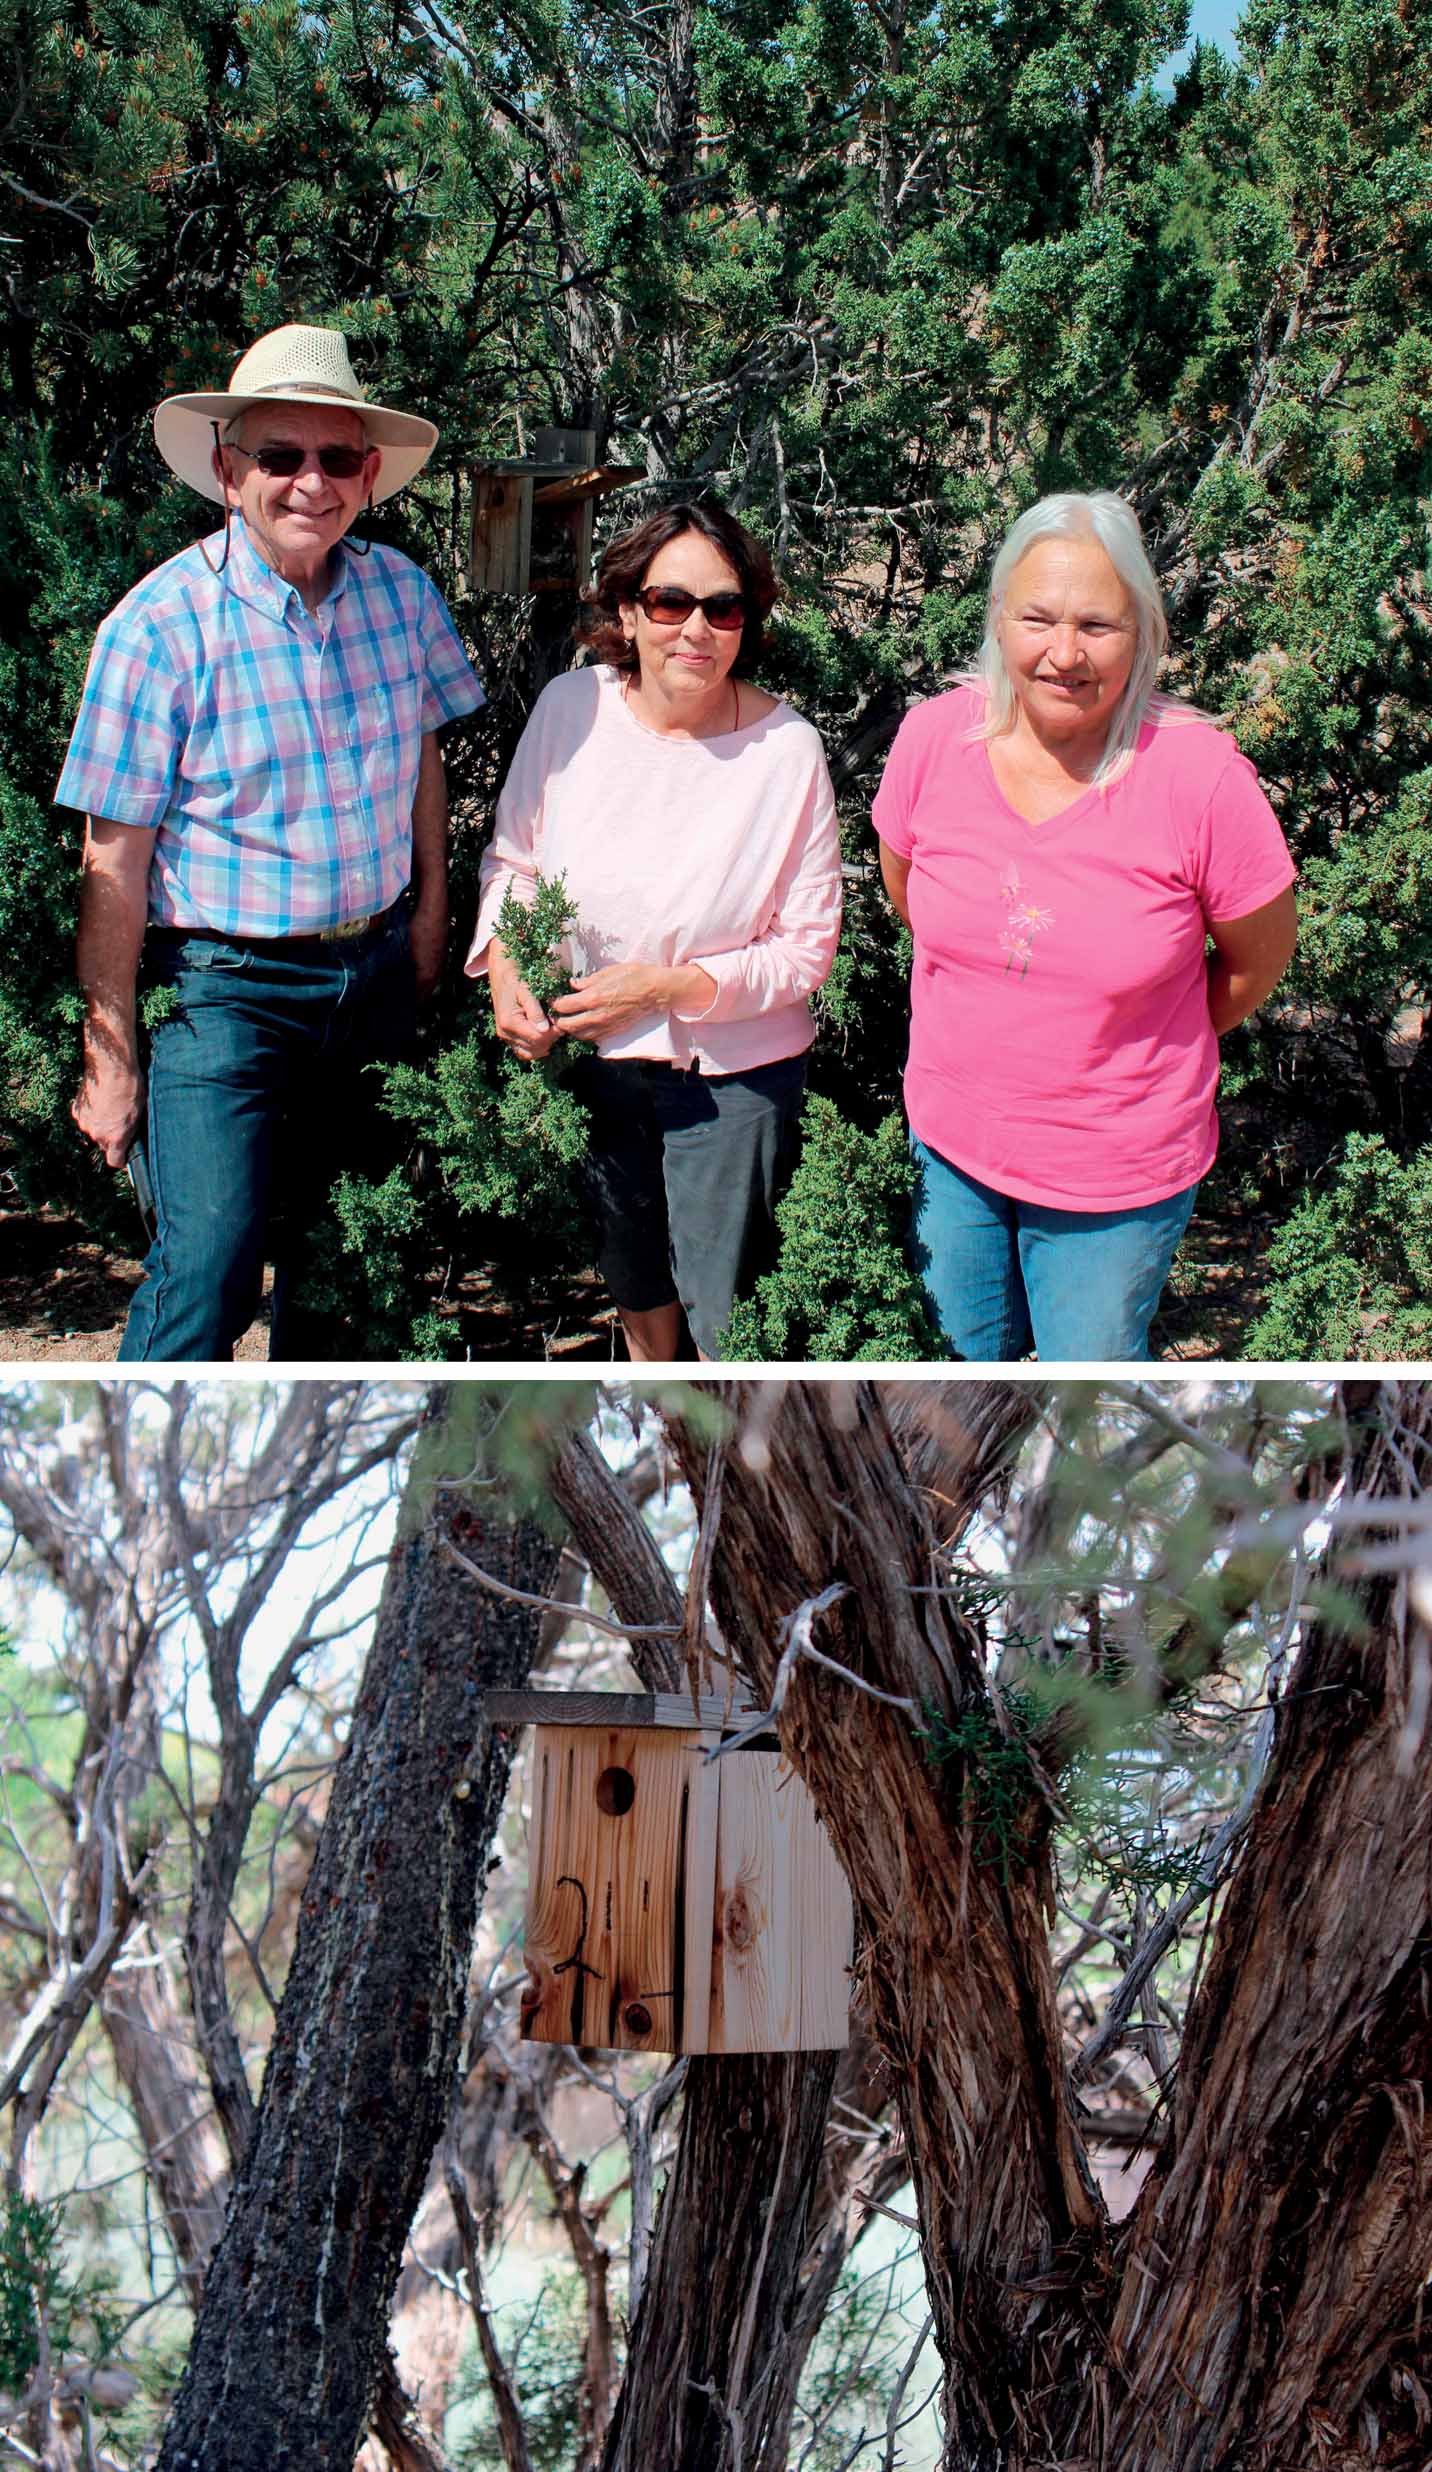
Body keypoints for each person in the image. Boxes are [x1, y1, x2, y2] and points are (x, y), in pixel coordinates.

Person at [55, 324, 484, 1361]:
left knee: (347, 1272)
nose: (310, 483)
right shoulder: (155, 629)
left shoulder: (403, 595)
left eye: (336, 459)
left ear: (370, 473)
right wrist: (107, 1061)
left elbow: (421, 761)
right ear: (227, 468)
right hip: (222, 988)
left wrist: (429, 918)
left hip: (373, 973)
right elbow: (112, 863)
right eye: (279, 457)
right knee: (208, 1271)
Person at [873, 489, 1297, 1361]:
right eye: (1038, 618)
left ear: (1141, 632)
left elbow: (1258, 960)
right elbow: (908, 895)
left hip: (1117, 1174)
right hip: (952, 1151)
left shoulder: (1200, 780)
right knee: (957, 1399)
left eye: (1097, 626)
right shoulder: (931, 741)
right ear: (998, 620)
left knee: (1088, 1403)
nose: (1064, 654)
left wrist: (1131, 1040)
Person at [467, 498, 842, 1360]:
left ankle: (737, 1470)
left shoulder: (788, 751)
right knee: (637, 1288)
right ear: (628, 612)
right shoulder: (572, 708)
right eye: (672, 603)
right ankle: (667, 1451)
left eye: (725, 607)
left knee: (725, 1317)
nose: (698, 630)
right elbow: (515, 860)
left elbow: (806, 948)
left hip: (731, 1077)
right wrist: (507, 968)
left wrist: (670, 987)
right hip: (597, 1058)